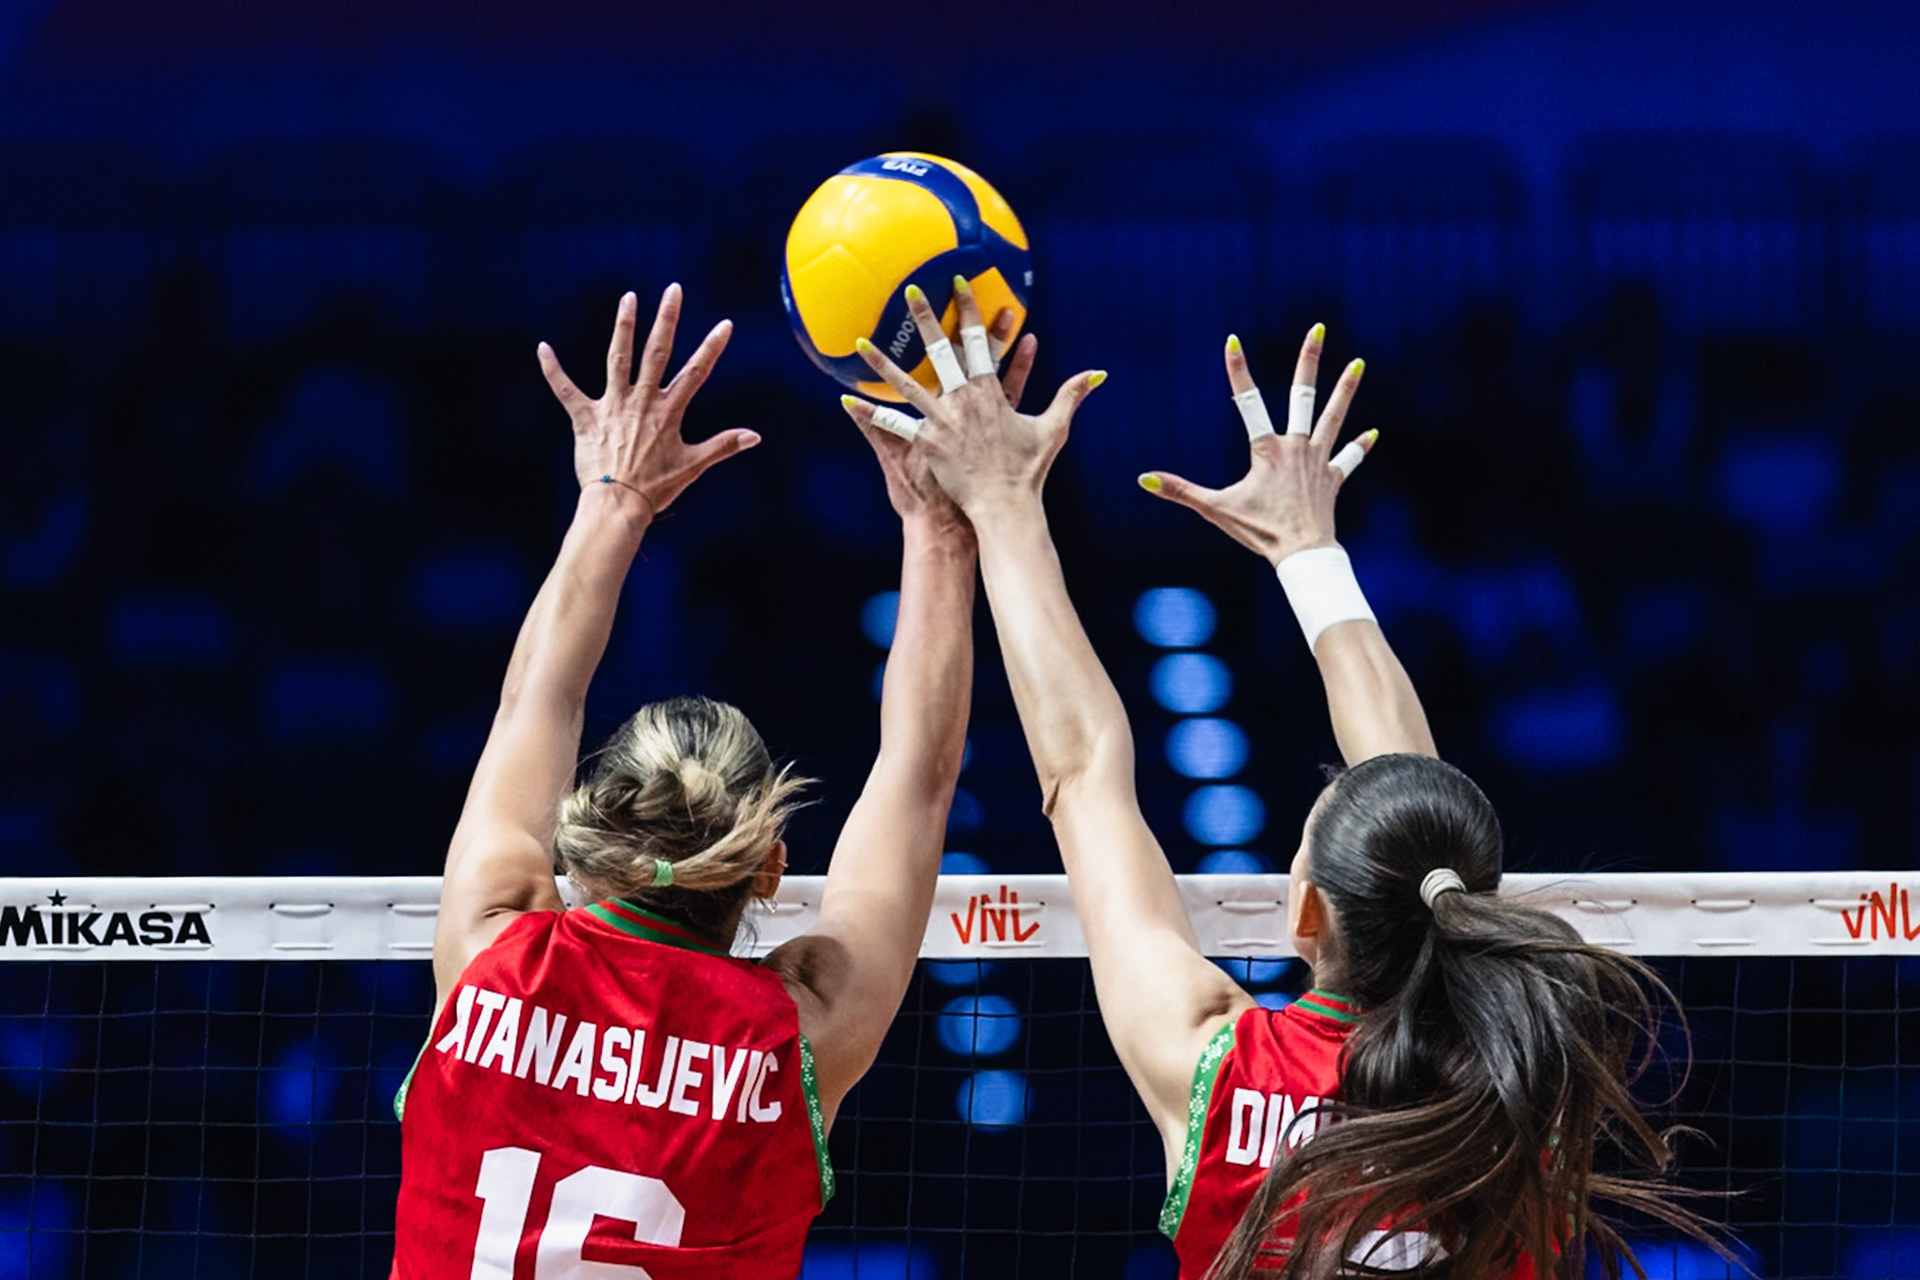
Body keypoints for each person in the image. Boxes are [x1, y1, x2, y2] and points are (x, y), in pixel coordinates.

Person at [847, 306, 1719, 1278]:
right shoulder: (1525, 1084)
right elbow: (1412, 806)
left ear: (1305, 910)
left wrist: (1002, 505)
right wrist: (1310, 554)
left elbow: (1084, 770)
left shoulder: (1219, 1071)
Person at [392, 284, 1036, 1278]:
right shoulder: (795, 1037)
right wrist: (939, 527)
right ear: (769, 868)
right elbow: (921, 774)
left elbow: (534, 703)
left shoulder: (491, 951)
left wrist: (614, 498)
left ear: (590, 834)